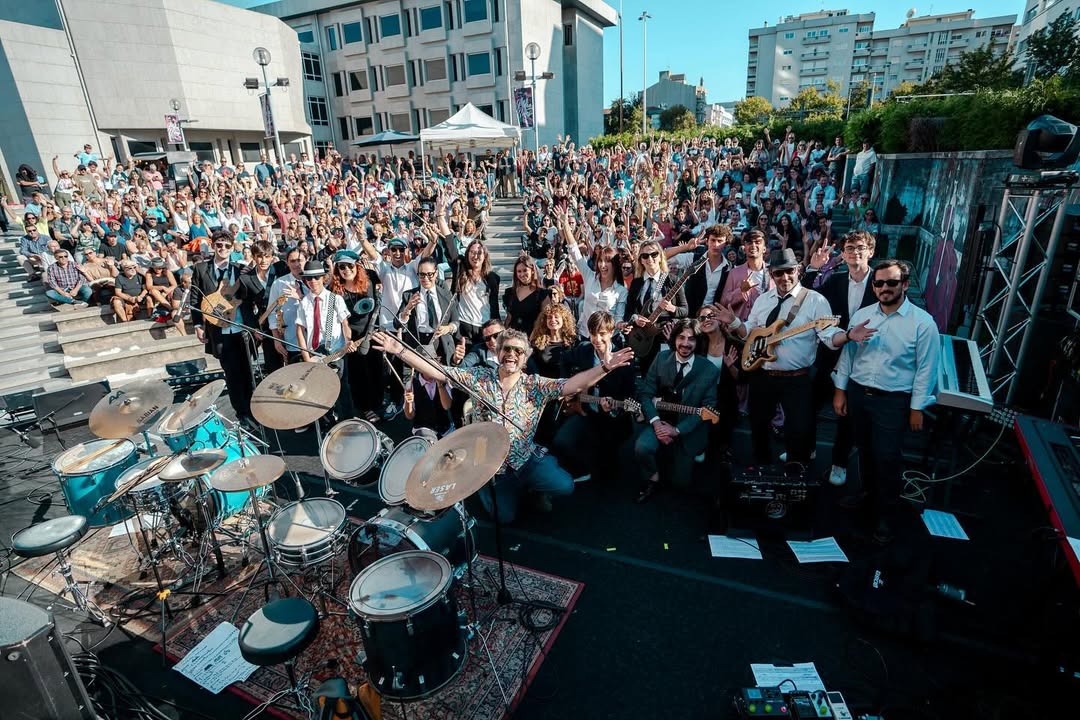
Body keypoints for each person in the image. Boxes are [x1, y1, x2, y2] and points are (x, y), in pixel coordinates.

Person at [370, 328, 635, 523]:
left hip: (526, 459)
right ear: (498, 354)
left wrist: (605, 368)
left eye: (518, 351)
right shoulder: (479, 378)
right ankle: (488, 489)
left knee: (565, 486)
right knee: (504, 518)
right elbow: (440, 371)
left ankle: (534, 486)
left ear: (525, 358)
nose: (511, 354)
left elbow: (573, 384)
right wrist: (399, 350)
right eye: (506, 349)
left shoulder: (534, 385)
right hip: (492, 468)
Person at [716, 248, 871, 465]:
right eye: (778, 273)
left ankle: (796, 470)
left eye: (789, 271)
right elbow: (750, 332)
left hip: (797, 379)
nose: (785, 277)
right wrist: (733, 322)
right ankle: (761, 468)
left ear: (798, 270)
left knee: (799, 429)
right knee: (759, 425)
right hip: (763, 375)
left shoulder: (815, 301)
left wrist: (847, 335)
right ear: (771, 274)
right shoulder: (763, 300)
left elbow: (828, 336)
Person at [833, 259, 941, 544]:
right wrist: (840, 390)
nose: (884, 288)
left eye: (891, 282)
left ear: (905, 284)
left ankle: (886, 513)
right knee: (865, 450)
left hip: (893, 401)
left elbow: (926, 369)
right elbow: (848, 356)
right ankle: (867, 495)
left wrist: (917, 407)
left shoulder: (922, 323)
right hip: (859, 394)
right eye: (879, 283)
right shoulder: (862, 315)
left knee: (888, 458)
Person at [803, 231, 879, 486]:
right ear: (843, 254)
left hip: (864, 358)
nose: (854, 252)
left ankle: (839, 462)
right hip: (830, 355)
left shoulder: (881, 283)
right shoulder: (835, 281)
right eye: (849, 248)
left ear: (870, 252)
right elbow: (808, 298)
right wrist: (813, 269)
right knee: (810, 405)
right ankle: (807, 450)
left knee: (848, 414)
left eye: (860, 247)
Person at [634, 318, 720, 503]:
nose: (685, 343)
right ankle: (653, 477)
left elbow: (708, 408)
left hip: (687, 428)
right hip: (660, 420)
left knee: (680, 483)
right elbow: (646, 394)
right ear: (674, 339)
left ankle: (678, 457)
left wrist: (676, 430)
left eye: (691, 339)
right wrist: (656, 424)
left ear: (698, 342)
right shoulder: (660, 358)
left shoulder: (709, 370)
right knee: (642, 448)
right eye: (681, 337)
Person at [552, 310, 637, 483]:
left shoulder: (624, 358)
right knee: (561, 441)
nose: (597, 339)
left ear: (611, 332)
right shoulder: (584, 349)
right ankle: (580, 470)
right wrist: (568, 386)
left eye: (602, 334)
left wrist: (612, 409)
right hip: (584, 411)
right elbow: (563, 360)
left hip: (611, 420)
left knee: (607, 472)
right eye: (593, 334)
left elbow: (629, 395)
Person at [191, 229, 258, 428]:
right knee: (231, 374)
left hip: (241, 328)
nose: (223, 248)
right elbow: (195, 299)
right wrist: (198, 325)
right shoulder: (201, 269)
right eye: (219, 245)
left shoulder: (240, 268)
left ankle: (254, 411)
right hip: (218, 331)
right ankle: (242, 414)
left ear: (232, 247)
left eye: (227, 245)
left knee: (248, 372)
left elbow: (250, 296)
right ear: (213, 246)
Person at [295, 260, 355, 421]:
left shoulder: (335, 299)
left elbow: (345, 324)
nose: (313, 281)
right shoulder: (304, 302)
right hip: (314, 353)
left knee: (342, 389)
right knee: (320, 390)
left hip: (336, 352)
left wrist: (348, 341)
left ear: (323, 278)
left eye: (316, 277)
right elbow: (300, 330)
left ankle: (347, 422)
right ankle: (327, 421)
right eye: (309, 278)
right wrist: (306, 356)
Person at [329, 249, 383, 424]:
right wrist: (347, 341)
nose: (346, 270)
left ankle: (377, 402)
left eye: (349, 266)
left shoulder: (370, 278)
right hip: (351, 338)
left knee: (376, 369)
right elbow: (334, 318)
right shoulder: (334, 290)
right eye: (341, 267)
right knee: (359, 373)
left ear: (357, 266)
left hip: (372, 332)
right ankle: (365, 407)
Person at [623, 239, 689, 368]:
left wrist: (672, 308)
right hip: (643, 337)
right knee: (646, 372)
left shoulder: (672, 280)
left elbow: (685, 310)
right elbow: (629, 310)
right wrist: (635, 319)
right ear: (641, 260)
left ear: (660, 257)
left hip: (664, 336)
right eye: (645, 256)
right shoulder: (636, 283)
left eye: (654, 254)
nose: (650, 258)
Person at [396, 256, 460, 365]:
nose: (426, 278)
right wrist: (407, 310)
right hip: (418, 345)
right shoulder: (409, 295)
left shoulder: (447, 295)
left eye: (430, 274)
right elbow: (397, 324)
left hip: (441, 345)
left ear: (436, 274)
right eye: (422, 274)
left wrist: (448, 328)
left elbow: (456, 321)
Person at [719, 229, 771, 322]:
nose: (753, 245)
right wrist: (741, 291)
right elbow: (724, 303)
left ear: (764, 249)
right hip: (741, 326)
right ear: (744, 248)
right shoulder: (734, 273)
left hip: (768, 326)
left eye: (757, 242)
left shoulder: (773, 272)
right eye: (749, 242)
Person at [503, 254, 551, 334]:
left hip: (533, 336)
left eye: (525, 270)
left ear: (532, 270)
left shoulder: (542, 294)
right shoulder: (510, 293)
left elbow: (545, 319)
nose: (522, 274)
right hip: (513, 337)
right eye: (519, 271)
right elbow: (509, 318)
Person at [403, 371, 453, 437]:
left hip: (445, 428)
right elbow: (409, 416)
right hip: (423, 428)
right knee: (428, 440)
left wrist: (440, 385)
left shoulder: (443, 380)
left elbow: (447, 406)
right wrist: (408, 402)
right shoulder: (411, 384)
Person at [17, 215, 50, 281]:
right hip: (34, 257)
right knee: (20, 257)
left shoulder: (46, 238)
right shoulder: (24, 239)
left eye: (34, 230)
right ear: (27, 232)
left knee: (44, 271)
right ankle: (33, 275)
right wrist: (32, 255)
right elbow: (23, 250)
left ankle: (44, 271)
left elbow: (52, 248)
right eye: (29, 231)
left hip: (45, 257)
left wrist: (42, 255)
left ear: (37, 230)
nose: (32, 232)